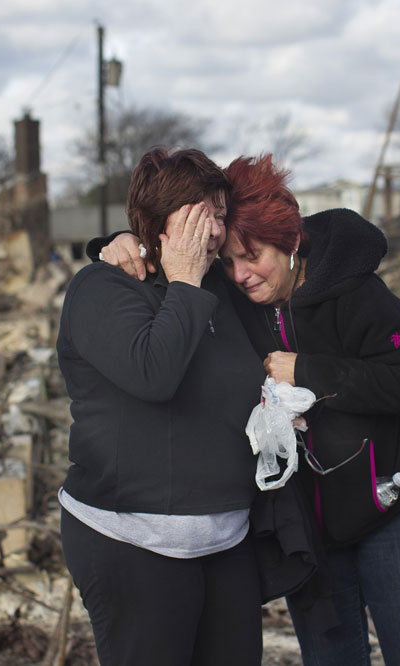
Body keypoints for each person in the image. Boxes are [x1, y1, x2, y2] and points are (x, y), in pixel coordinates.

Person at [100, 154, 400, 665]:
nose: (241, 274)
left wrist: (307, 371)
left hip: (395, 513)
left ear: (289, 243)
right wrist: (117, 244)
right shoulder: (233, 296)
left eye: (255, 256)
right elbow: (167, 257)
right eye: (227, 262)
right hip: (308, 532)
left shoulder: (355, 293)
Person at [56, 147, 265, 665]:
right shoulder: (101, 287)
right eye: (199, 212)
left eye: (220, 213)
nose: (213, 229)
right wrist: (185, 279)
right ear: (157, 220)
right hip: (131, 540)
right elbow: (153, 374)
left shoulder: (223, 286)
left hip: (226, 539)